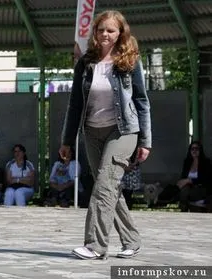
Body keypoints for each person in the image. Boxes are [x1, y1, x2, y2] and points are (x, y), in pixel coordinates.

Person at [59, 10, 152, 259]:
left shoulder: (129, 60)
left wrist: (145, 141)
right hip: (91, 132)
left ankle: (95, 246)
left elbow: (141, 101)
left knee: (103, 185)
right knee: (109, 188)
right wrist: (67, 140)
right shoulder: (86, 62)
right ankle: (132, 239)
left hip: (123, 131)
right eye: (101, 30)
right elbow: (75, 103)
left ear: (120, 33)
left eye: (110, 30)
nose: (105, 34)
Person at [176, 141, 211, 212]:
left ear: (200, 150)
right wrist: (183, 181)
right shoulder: (187, 162)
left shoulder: (206, 162)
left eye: (197, 149)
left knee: (184, 192)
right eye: (192, 149)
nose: (194, 151)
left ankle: (183, 210)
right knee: (184, 190)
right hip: (189, 188)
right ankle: (183, 210)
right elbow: (183, 176)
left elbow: (206, 179)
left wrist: (190, 180)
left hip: (201, 188)